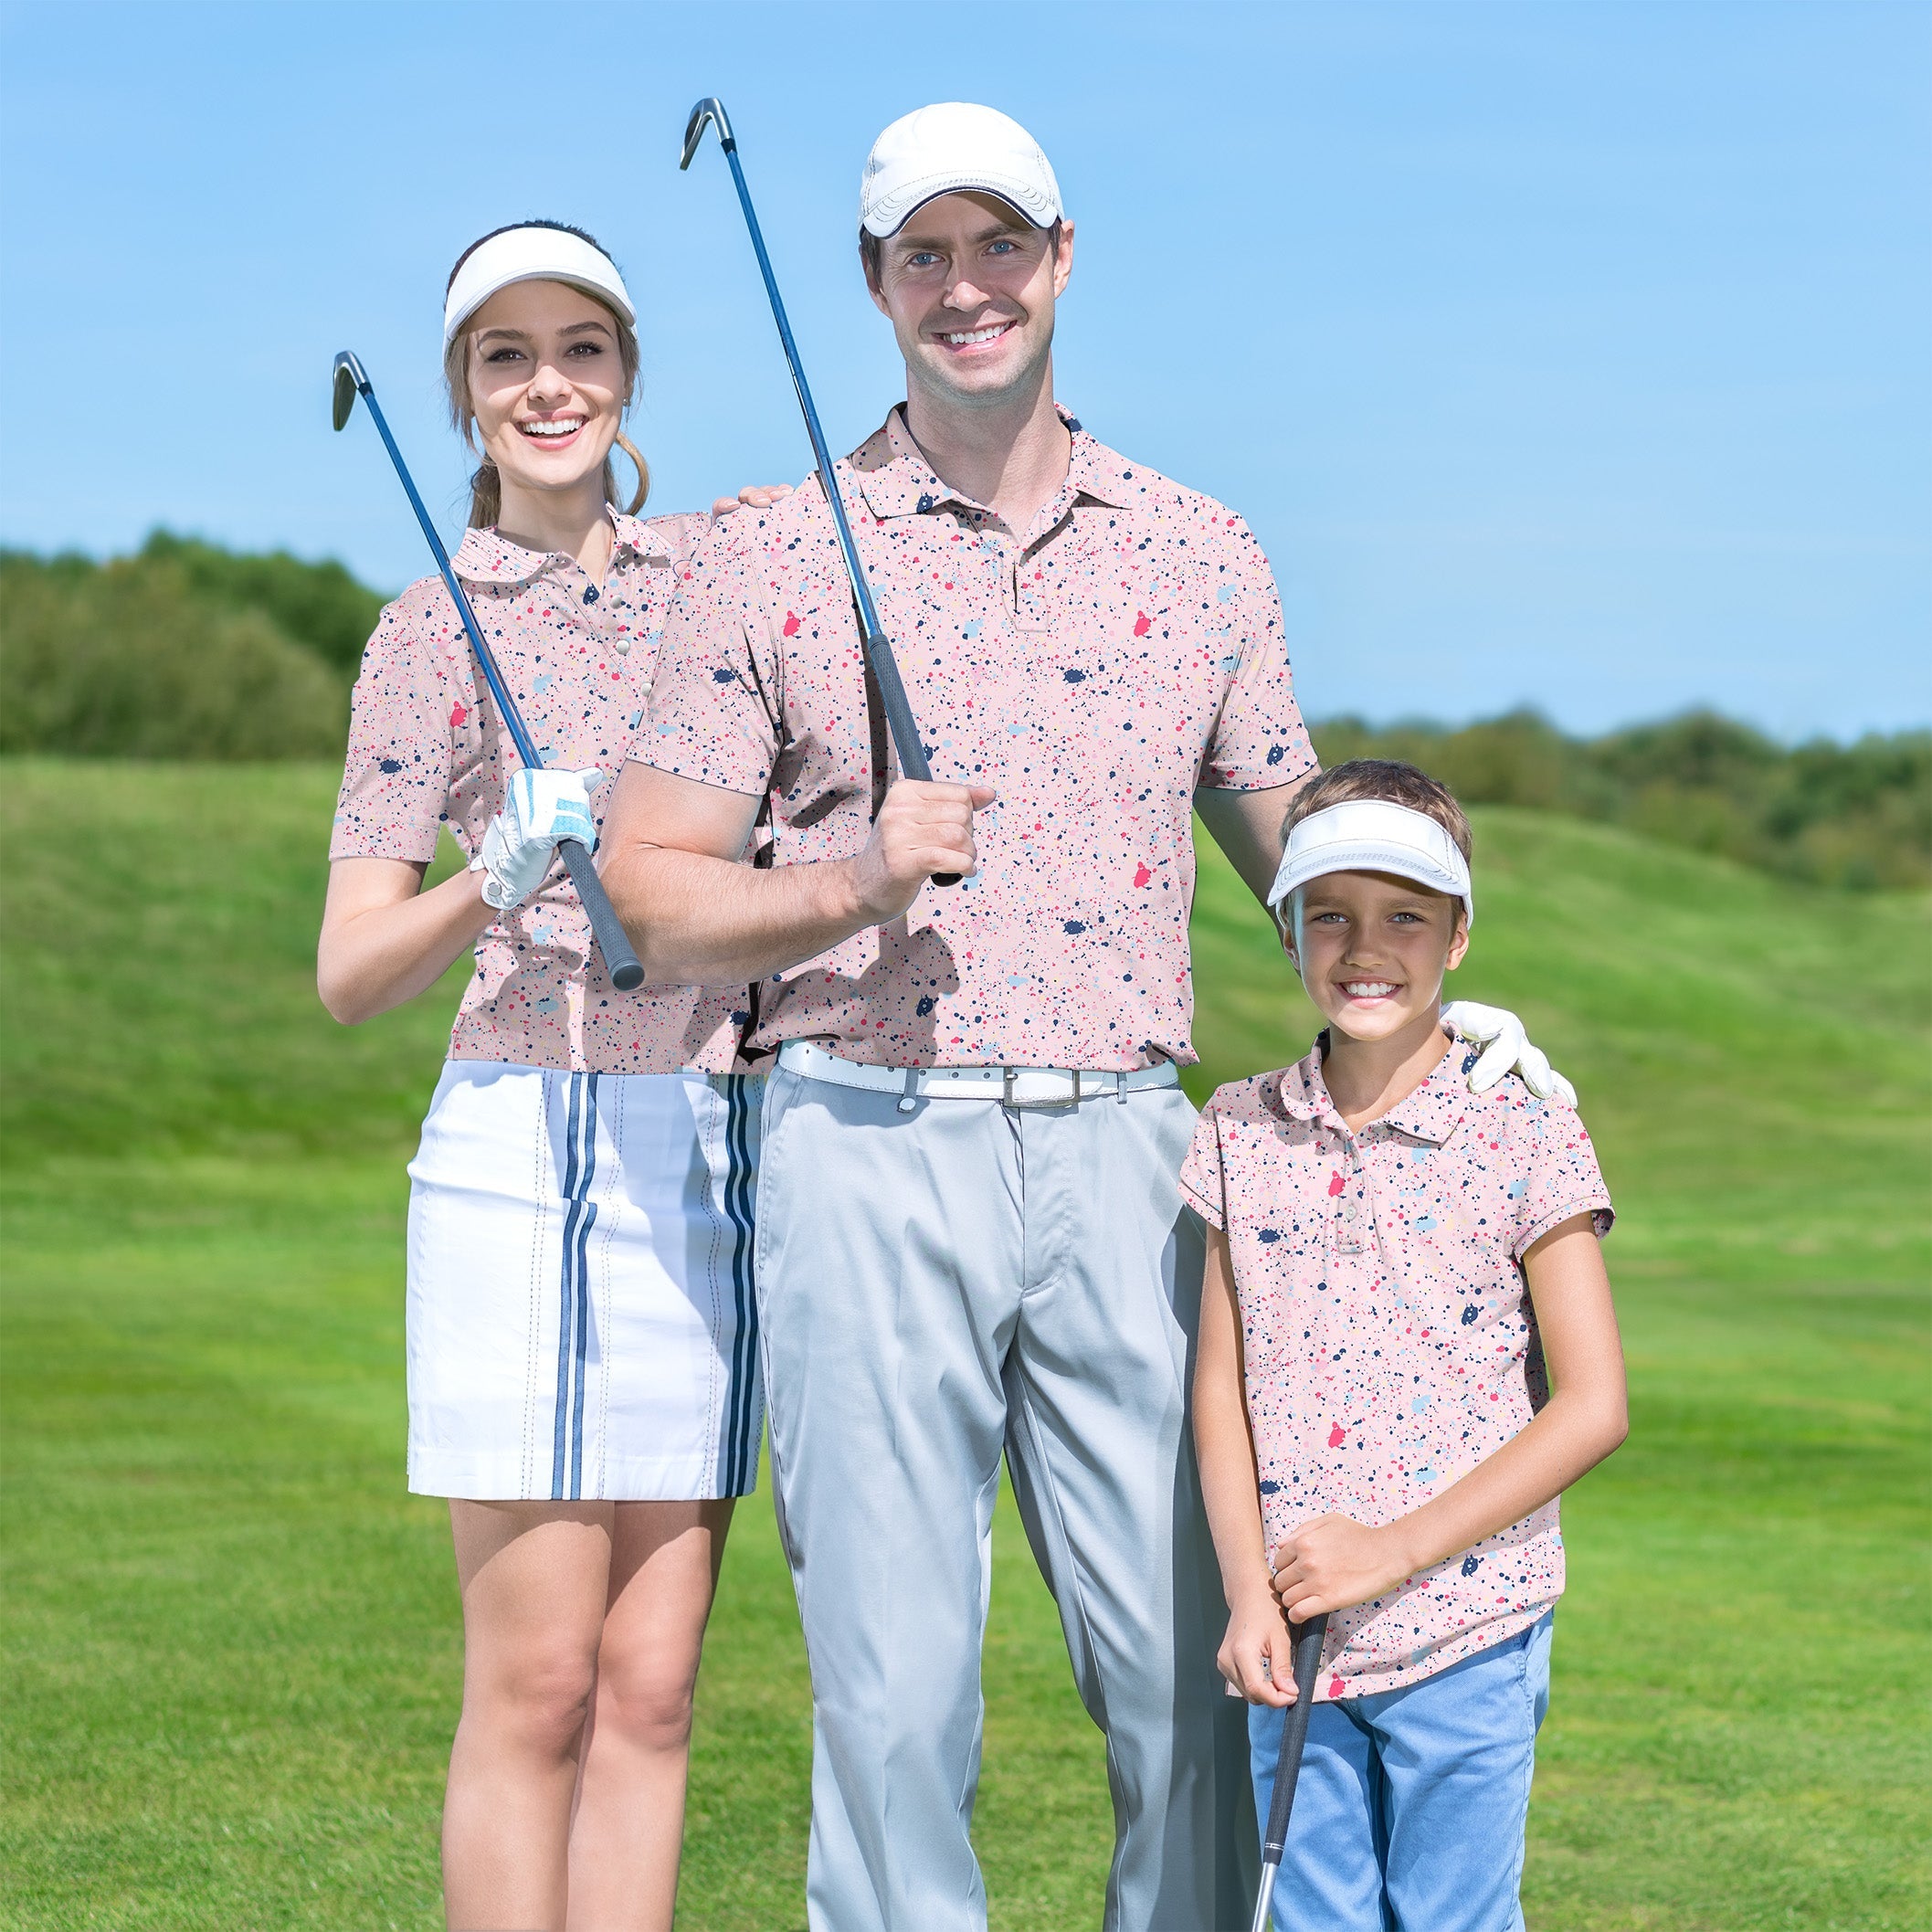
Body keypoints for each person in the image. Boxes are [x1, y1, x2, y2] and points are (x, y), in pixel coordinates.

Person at [598, 105, 1566, 1931]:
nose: (967, 289)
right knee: (894, 1699)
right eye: (923, 255)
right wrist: (841, 887)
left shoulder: (1201, 553)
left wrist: (1442, 991)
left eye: (1000, 246)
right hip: (859, 1129)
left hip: (1138, 1155)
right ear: (875, 284)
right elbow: (648, 888)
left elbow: (1299, 848)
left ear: (1061, 256)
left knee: (1203, 1666)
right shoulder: (767, 548)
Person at [317, 220, 786, 1932]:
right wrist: (489, 876)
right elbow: (350, 971)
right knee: (538, 1686)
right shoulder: (422, 635)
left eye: (579, 348)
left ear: (627, 374)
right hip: (516, 1145)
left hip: (699, 1146)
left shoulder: (720, 600)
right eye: (506, 356)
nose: (548, 385)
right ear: (463, 394)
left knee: (654, 1686)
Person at [1185, 759, 1629, 1932]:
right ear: (1286, 928)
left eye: (1404, 917)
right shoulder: (1239, 1125)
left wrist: (1392, 1553)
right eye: (1328, 913)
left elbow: (1593, 1405)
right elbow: (1219, 1392)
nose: (1363, 946)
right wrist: (1245, 1596)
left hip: (1469, 1620)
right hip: (1294, 1632)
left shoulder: (1525, 1124)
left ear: (1458, 938)